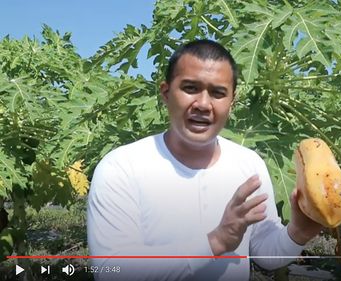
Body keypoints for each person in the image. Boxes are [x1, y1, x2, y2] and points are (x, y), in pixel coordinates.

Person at [87, 39, 322, 281]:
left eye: (218, 93)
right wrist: (216, 241)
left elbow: (265, 253)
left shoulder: (249, 164)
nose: (203, 104)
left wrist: (298, 232)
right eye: (190, 88)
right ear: (166, 93)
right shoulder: (121, 167)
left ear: (232, 101)